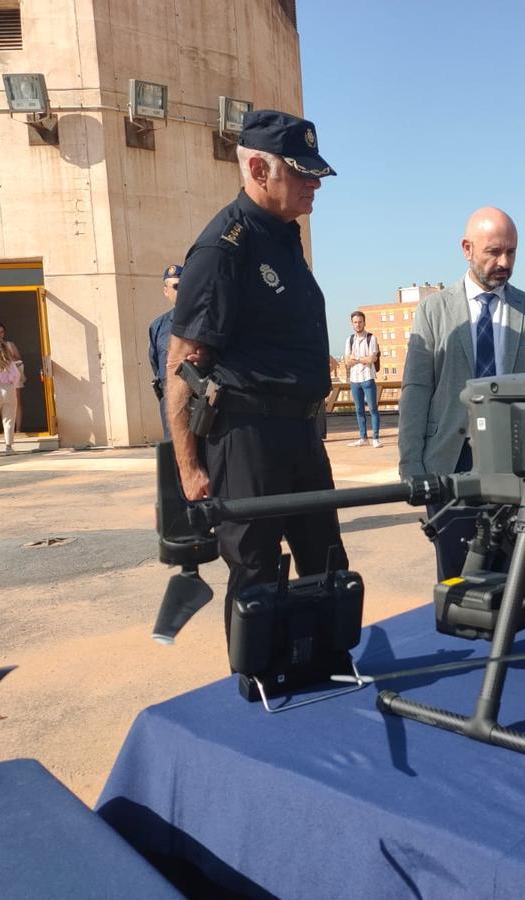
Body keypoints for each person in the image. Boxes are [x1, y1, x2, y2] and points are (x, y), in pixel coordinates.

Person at [165, 110, 348, 641]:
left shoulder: (284, 237)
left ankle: (326, 662)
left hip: (299, 434)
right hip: (247, 436)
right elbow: (183, 363)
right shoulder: (224, 248)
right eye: (302, 172)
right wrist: (189, 469)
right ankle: (260, 683)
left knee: (327, 560)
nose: (314, 184)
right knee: (255, 573)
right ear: (260, 171)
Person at [398, 206, 525, 579]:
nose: (504, 262)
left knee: (510, 569)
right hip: (450, 460)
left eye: (512, 252)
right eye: (493, 252)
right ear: (466, 248)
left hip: (515, 463)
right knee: (456, 573)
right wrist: (411, 465)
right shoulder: (433, 311)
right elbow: (417, 388)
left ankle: (509, 633)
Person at [147, 264, 181, 440]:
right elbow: (155, 362)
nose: (180, 290)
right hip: (170, 398)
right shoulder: (158, 326)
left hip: (198, 399)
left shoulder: (203, 319)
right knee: (172, 451)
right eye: (175, 286)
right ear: (166, 291)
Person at [343, 310, 382, 448]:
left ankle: (376, 438)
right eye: (355, 322)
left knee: (373, 409)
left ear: (364, 322)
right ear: (352, 324)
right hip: (354, 380)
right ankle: (363, 437)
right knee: (359, 410)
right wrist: (361, 360)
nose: (358, 324)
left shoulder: (371, 338)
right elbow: (347, 361)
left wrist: (357, 359)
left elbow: (372, 358)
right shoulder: (350, 340)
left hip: (368, 378)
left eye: (360, 322)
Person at [0, 322, 23, 426]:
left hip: (12, 376)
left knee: (17, 402)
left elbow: (18, 358)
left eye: (1, 332)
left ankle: (18, 430)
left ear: (4, 333)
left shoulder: (9, 344)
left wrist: (8, 357)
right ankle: (3, 429)